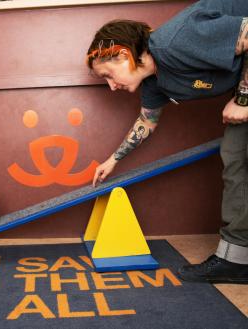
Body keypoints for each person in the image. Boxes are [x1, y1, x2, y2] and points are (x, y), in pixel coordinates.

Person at [86, 0, 248, 283]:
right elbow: (146, 122)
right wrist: (113, 160)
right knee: (235, 154)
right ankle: (236, 261)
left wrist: (244, 97)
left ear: (124, 55)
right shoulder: (155, 81)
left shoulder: (176, 42)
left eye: (108, 76)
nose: (111, 87)